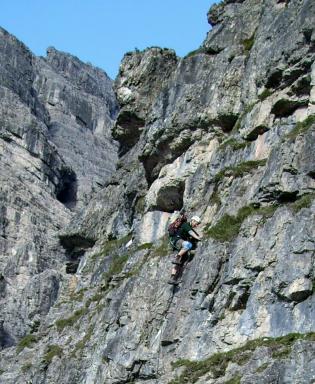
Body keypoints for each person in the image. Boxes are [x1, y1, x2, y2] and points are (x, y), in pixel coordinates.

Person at [168, 215, 202, 285]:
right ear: (193, 220)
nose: (197, 225)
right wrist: (199, 238)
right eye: (197, 223)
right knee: (188, 245)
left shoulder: (189, 227)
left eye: (198, 224)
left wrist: (198, 237)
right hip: (176, 240)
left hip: (179, 244)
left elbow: (195, 234)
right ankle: (177, 257)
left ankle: (172, 278)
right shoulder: (186, 225)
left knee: (180, 262)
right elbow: (191, 233)